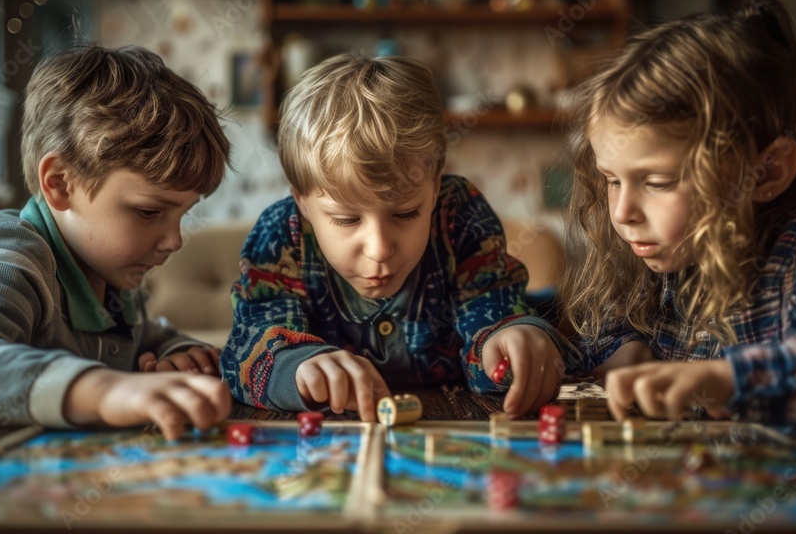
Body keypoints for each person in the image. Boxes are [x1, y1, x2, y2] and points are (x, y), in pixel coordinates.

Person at [0, 45, 232, 439]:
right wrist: (107, 390)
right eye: (149, 212)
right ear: (60, 183)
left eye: (184, 214)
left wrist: (177, 355)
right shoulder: (8, 254)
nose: (174, 240)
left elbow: (150, 335)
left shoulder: (112, 285)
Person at [560, 0, 796, 437]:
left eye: (659, 182)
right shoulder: (666, 250)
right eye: (611, 180)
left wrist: (729, 380)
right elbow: (611, 324)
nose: (622, 212)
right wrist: (625, 347)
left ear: (768, 171)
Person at [220, 54, 573, 420]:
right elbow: (246, 351)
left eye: (406, 213)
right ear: (302, 202)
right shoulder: (281, 235)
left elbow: (491, 311)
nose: (380, 249)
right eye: (345, 219)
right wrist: (294, 367)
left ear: (435, 188)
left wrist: (508, 340)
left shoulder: (459, 216)